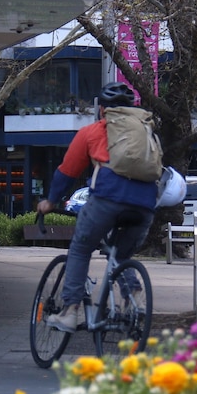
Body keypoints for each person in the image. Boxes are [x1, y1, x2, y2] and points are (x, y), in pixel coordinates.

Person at [36, 82, 158, 332]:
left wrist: (50, 201)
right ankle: (134, 300)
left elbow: (67, 172)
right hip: (145, 205)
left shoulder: (92, 132)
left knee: (81, 248)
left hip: (107, 200)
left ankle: (70, 311)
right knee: (121, 255)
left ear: (102, 110)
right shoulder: (147, 133)